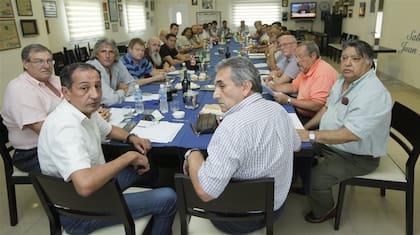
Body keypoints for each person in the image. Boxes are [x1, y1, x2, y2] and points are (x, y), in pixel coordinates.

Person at [37, 63, 177, 234]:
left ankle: (147, 213)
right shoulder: (65, 128)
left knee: (148, 168)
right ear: (66, 93)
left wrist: (131, 137)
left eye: (97, 86)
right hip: (81, 210)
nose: (95, 94)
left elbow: (109, 130)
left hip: (97, 187)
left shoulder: (83, 109)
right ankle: (153, 209)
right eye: (84, 88)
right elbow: (85, 185)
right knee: (169, 197)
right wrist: (128, 157)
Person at [183, 57, 301, 234]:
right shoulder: (278, 109)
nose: (215, 94)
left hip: (238, 219)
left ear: (245, 87)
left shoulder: (233, 126)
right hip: (275, 207)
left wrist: (193, 155)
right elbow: (296, 146)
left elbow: (205, 192)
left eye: (222, 86)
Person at [297, 40, 392, 223]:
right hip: (330, 143)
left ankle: (325, 210)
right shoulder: (343, 80)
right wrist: (305, 128)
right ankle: (303, 183)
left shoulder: (372, 93)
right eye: (344, 58)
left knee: (317, 180)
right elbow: (327, 108)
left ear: (369, 62)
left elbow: (350, 134)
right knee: (296, 148)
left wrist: (311, 135)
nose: (347, 63)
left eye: (355, 59)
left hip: (356, 156)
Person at [1, 44, 112, 173]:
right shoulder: (19, 89)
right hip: (33, 152)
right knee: (92, 165)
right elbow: (45, 130)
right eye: (39, 61)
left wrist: (94, 113)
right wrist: (88, 121)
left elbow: (76, 103)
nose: (47, 65)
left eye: (49, 61)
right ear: (25, 63)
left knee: (108, 150)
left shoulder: (55, 80)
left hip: (67, 137)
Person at [268, 41, 338, 124]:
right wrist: (273, 87)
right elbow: (294, 87)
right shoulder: (308, 67)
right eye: (296, 57)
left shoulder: (323, 73)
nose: (297, 61)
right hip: (301, 111)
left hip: (312, 119)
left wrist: (289, 100)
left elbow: (317, 105)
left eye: (300, 57)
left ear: (313, 56)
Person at [87, 38, 136, 106]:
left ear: (115, 55)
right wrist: (122, 91)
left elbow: (133, 85)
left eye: (111, 52)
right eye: (103, 51)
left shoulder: (117, 63)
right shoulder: (92, 68)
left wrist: (115, 93)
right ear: (97, 55)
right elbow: (110, 100)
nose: (107, 56)